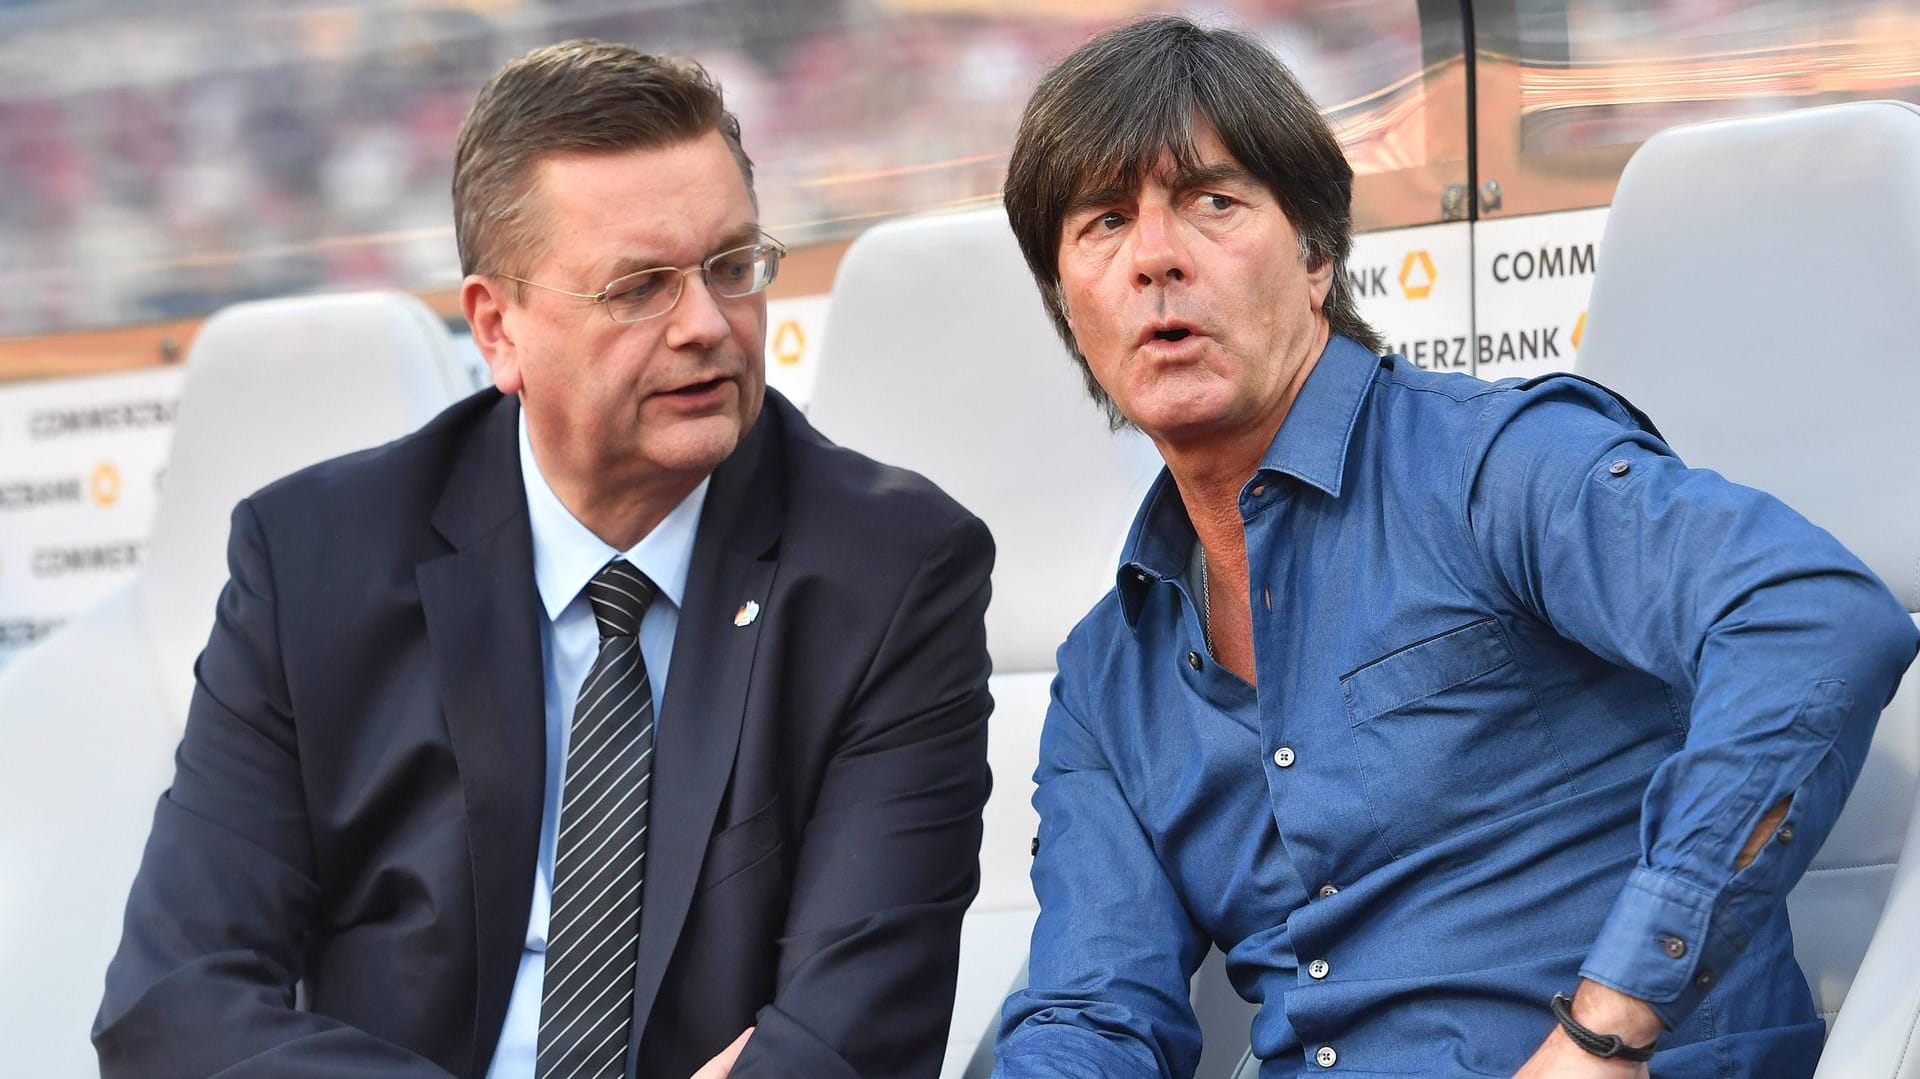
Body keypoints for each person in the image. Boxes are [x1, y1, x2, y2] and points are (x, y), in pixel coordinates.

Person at [991, 16, 1917, 1078]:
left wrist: (1604, 1029)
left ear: (1314, 258)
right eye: (1103, 222)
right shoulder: (1111, 674)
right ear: (1071, 309)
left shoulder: (1491, 466)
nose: (1157, 257)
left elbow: (1810, 617)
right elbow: (1094, 1011)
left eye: (1213, 201)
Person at [95, 40, 994, 1079]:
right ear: (497, 327)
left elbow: (857, 1029)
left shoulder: (892, 571)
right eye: (641, 287)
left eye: (732, 267)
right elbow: (173, 1006)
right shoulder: (311, 563)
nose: (708, 326)